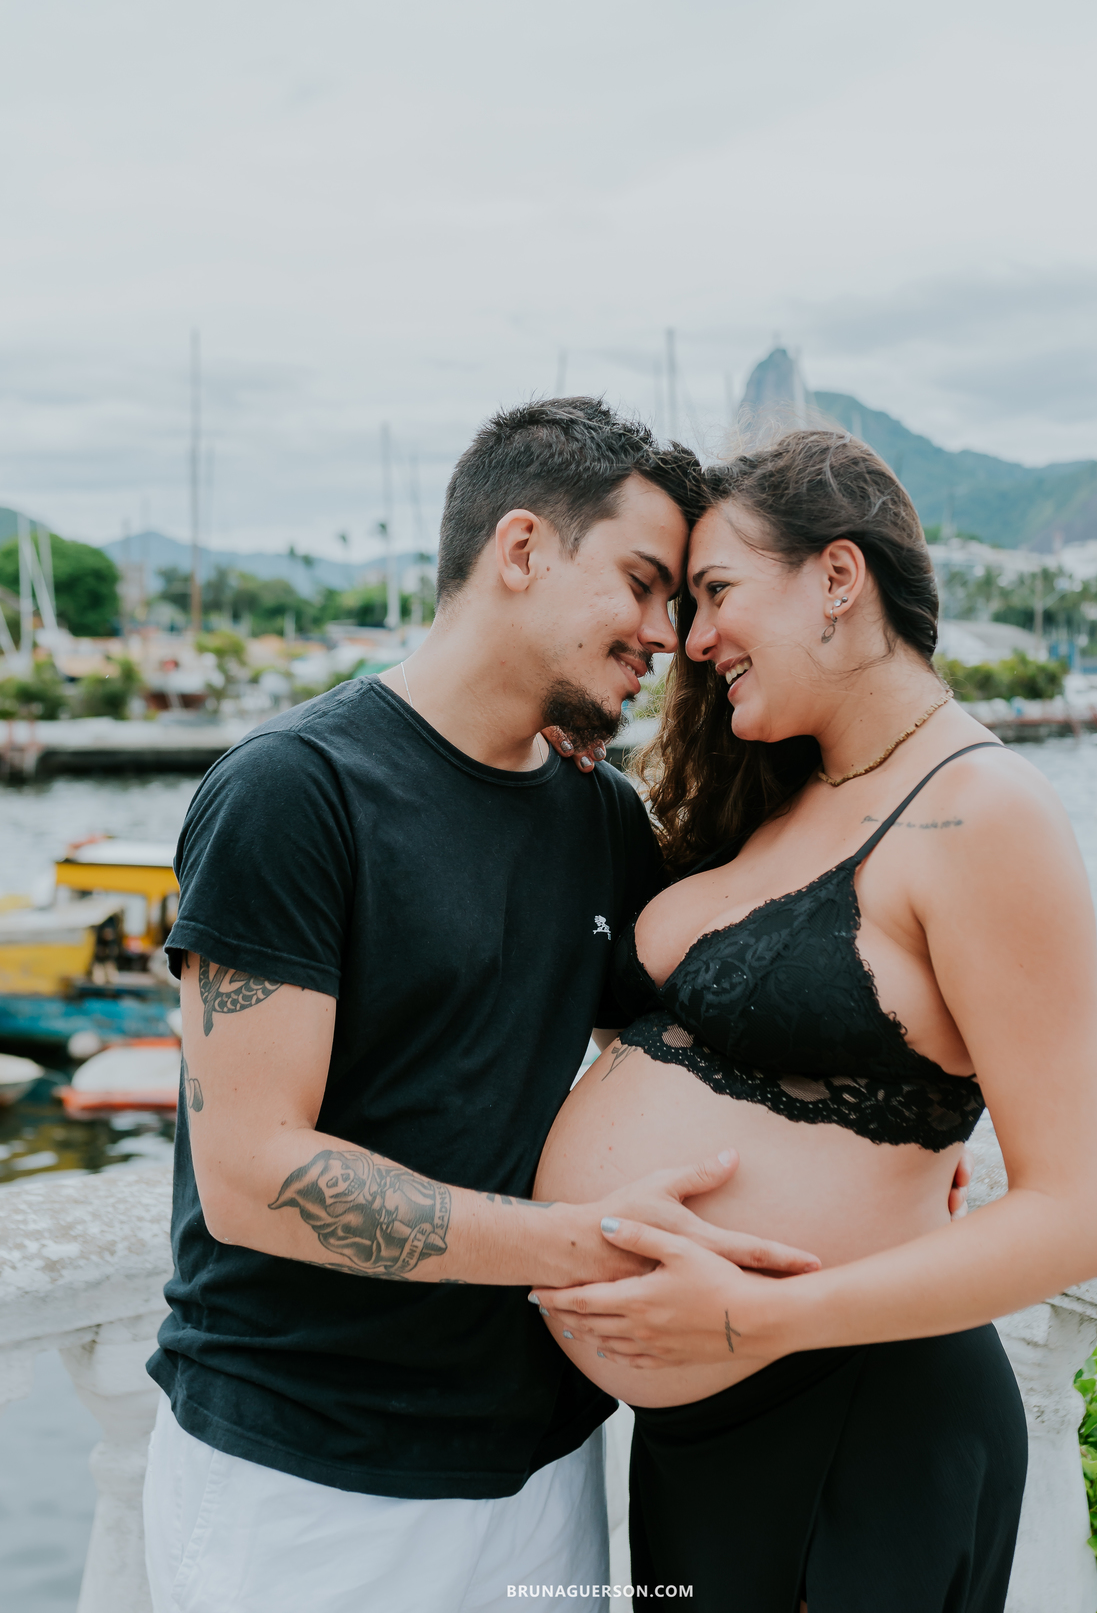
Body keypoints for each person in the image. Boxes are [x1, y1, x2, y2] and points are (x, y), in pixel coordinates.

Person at [141, 399, 821, 1613]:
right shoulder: (293, 795)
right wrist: (580, 1244)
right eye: (643, 583)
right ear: (520, 551)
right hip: (310, 1488)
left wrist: (901, 1125)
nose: (669, 633)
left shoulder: (599, 815)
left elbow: (701, 1041)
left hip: (545, 1472)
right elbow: (251, 1176)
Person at [533, 428, 1097, 1613]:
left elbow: (1084, 1214)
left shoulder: (982, 812)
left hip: (861, 1425)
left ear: (838, 580)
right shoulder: (793, 794)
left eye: (715, 594)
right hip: (705, 1437)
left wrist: (757, 1312)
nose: (693, 641)